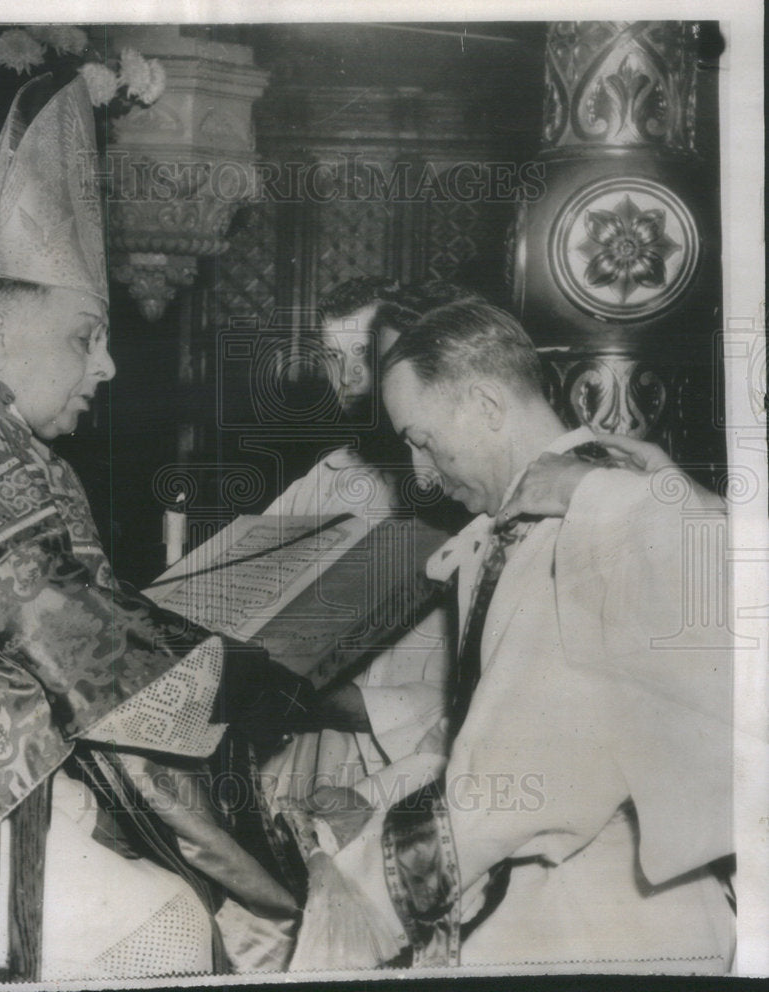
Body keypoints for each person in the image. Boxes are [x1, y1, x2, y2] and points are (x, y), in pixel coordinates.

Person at [0, 73, 303, 980]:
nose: (104, 367)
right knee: (169, 930)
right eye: (82, 336)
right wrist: (258, 682)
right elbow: (76, 642)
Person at [290, 296, 735, 974]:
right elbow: (485, 730)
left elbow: (512, 781)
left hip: (604, 927)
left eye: (420, 439)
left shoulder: (572, 526)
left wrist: (352, 897)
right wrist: (374, 802)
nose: (420, 475)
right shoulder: (576, 499)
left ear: (486, 406)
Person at [261, 278, 472, 826]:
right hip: (309, 755)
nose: (350, 376)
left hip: (420, 778)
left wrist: (364, 708)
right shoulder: (326, 478)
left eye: (365, 354)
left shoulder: (463, 484)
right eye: (334, 357)